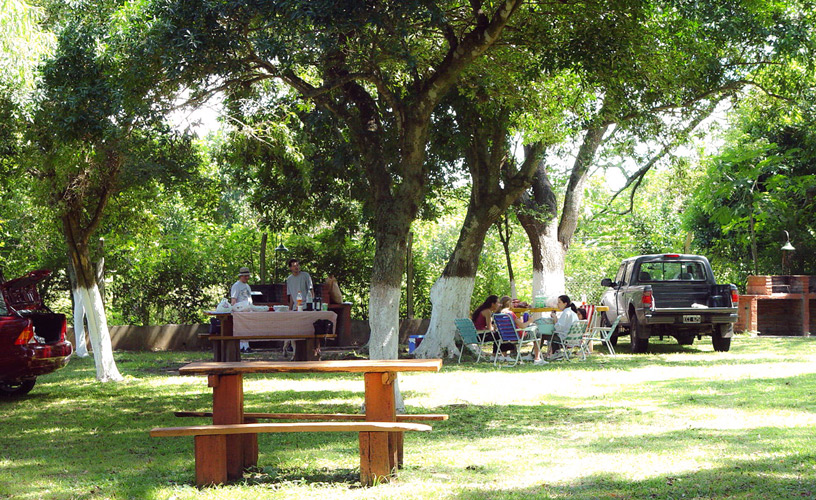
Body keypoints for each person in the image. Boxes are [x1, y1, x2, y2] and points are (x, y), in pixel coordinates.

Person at [498, 295, 544, 364]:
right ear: (509, 304)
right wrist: (529, 321)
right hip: (519, 336)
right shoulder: (510, 314)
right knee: (537, 333)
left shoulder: (499, 314)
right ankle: (537, 358)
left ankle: (534, 356)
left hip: (505, 337)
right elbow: (522, 326)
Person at [547, 294, 580, 359]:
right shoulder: (572, 313)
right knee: (554, 335)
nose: (557, 304)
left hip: (566, 338)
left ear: (565, 303)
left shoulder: (566, 313)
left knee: (544, 335)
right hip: (575, 338)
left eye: (559, 302)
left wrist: (555, 318)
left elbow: (558, 328)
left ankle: (535, 354)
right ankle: (556, 352)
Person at [231, 267, 253, 353]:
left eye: (248, 276)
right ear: (241, 276)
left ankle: (247, 346)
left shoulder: (247, 286)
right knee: (241, 329)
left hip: (248, 310)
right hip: (240, 311)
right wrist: (234, 311)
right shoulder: (236, 286)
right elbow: (233, 299)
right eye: (245, 276)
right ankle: (241, 346)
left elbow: (249, 298)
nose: (247, 277)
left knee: (247, 329)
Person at [471, 295, 501, 359]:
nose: (499, 305)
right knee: (499, 335)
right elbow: (490, 328)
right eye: (498, 303)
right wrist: (495, 327)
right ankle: (494, 355)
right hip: (481, 336)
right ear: (493, 304)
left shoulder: (482, 310)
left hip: (475, 335)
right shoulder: (488, 312)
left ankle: (496, 355)